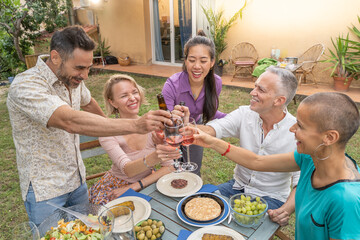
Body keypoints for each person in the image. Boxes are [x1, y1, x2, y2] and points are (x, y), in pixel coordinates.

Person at [6, 26, 171, 226]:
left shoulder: (73, 79)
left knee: (87, 233)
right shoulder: (27, 85)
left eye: (88, 67)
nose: (85, 75)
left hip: (77, 181)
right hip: (45, 190)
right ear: (56, 57)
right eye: (79, 68)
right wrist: (133, 125)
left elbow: (88, 101)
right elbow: (69, 121)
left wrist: (110, 129)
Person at [193, 92, 360, 239]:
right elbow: (257, 162)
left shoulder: (346, 201)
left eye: (300, 126)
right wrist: (211, 141)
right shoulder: (312, 158)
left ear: (329, 138)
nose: (292, 129)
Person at [174, 66, 300, 226]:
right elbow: (213, 130)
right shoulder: (245, 114)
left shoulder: (296, 132)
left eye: (260, 89)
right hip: (236, 187)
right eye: (255, 86)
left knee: (239, 231)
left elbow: (301, 181)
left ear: (279, 100)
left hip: (272, 198)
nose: (252, 92)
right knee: (195, 208)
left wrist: (286, 210)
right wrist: (188, 125)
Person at [89, 74, 180, 205]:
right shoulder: (108, 132)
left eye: (134, 92)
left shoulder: (154, 125)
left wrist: (137, 185)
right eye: (124, 95)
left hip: (147, 183)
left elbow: (170, 166)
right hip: (116, 187)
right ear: (112, 102)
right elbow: (128, 170)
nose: (132, 98)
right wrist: (158, 154)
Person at [161, 30, 226, 175]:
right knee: (173, 171)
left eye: (203, 61)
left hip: (194, 130)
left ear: (212, 62)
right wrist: (175, 119)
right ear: (185, 61)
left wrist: (236, 117)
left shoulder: (216, 82)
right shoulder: (172, 85)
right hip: (173, 133)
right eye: (192, 60)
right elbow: (166, 121)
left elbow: (212, 112)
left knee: (194, 170)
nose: (197, 66)